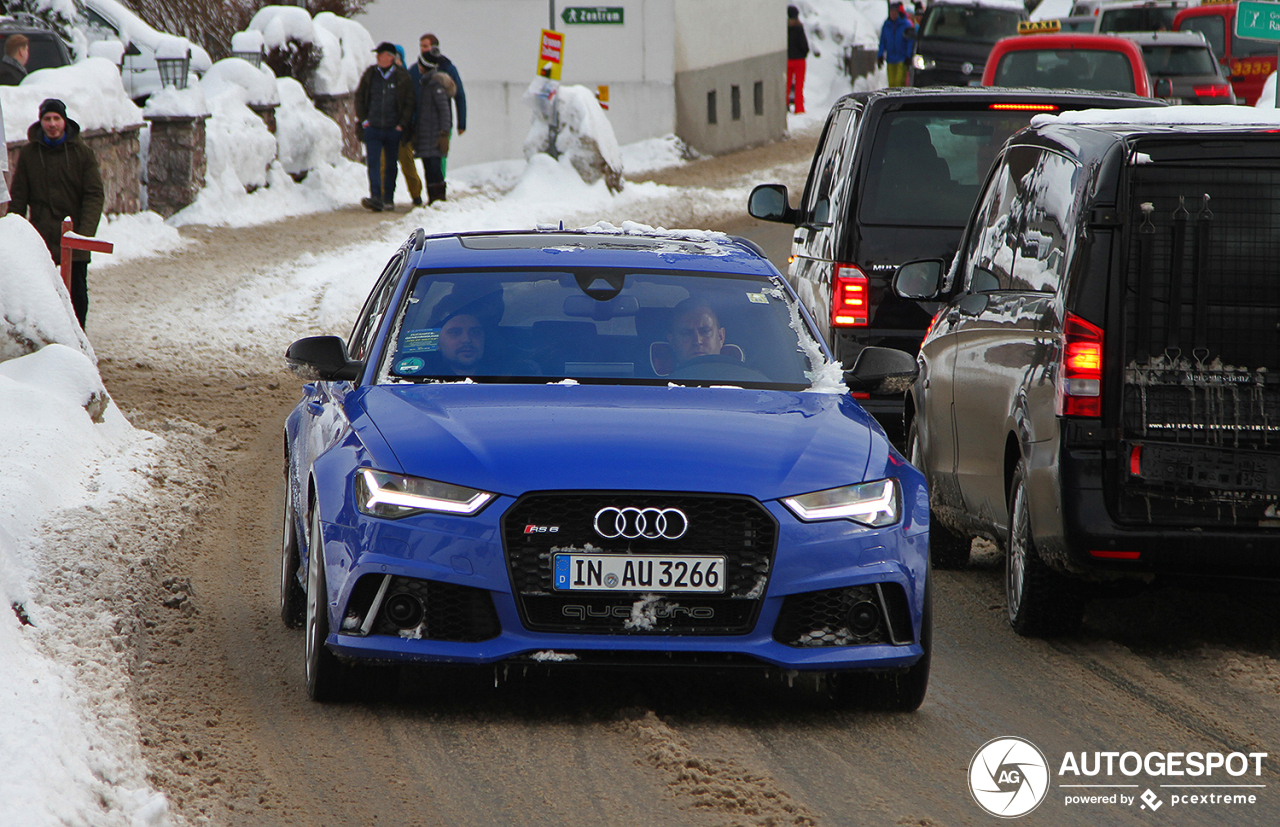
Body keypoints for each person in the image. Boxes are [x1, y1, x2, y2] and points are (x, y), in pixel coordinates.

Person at [7, 99, 105, 328]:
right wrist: (15, 233)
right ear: (41, 122)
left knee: (77, 293)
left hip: (74, 235)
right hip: (41, 235)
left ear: (65, 121)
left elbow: (94, 195)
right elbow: (19, 196)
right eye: (47, 119)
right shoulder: (30, 154)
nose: (52, 124)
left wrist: (83, 234)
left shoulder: (82, 153)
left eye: (56, 119)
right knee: (42, 294)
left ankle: (78, 339)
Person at [355, 41, 414, 212]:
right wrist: (364, 120)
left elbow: (410, 102)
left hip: (393, 129)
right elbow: (359, 97)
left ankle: (388, 197)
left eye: (380, 54)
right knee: (373, 163)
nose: (377, 57)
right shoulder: (370, 74)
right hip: (373, 128)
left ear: (390, 57)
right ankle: (376, 197)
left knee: (390, 164)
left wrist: (401, 125)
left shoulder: (402, 76)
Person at [411, 42, 456, 205]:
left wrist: (444, 133)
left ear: (424, 66)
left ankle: (439, 200)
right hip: (426, 135)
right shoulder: (426, 84)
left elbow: (444, 111)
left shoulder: (435, 85)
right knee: (428, 168)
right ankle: (433, 200)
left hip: (435, 136)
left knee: (434, 169)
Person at [389, 45, 424, 207]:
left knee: (408, 164)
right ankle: (384, 197)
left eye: (396, 57)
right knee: (385, 166)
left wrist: (410, 124)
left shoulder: (407, 78)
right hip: (387, 129)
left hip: (404, 129)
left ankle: (416, 195)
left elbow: (412, 103)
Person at [667, 300, 725, 366]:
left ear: (721, 337)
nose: (697, 341)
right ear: (672, 341)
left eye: (705, 331)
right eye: (686, 333)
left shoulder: (738, 374)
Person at [878, 2, 916, 88]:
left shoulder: (905, 24)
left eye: (894, 11)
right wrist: (880, 55)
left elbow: (910, 41)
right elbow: (883, 41)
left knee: (899, 82)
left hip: (901, 59)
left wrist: (908, 56)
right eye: (891, 12)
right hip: (890, 59)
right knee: (891, 84)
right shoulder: (886, 25)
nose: (893, 14)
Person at [786, 6, 809, 114]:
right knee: (799, 86)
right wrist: (804, 53)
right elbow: (804, 45)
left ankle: (785, 106)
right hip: (799, 60)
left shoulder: (785, 28)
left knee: (787, 84)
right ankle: (799, 108)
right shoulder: (799, 28)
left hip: (787, 60)